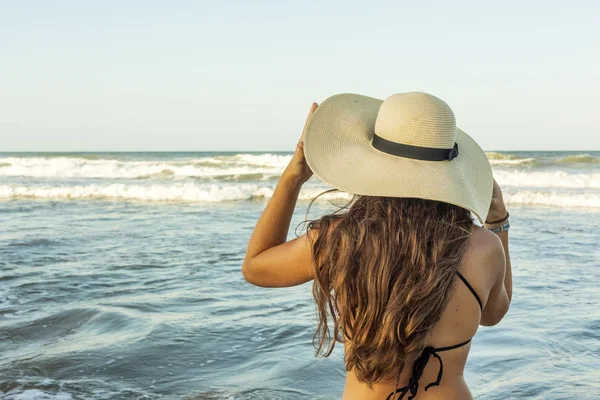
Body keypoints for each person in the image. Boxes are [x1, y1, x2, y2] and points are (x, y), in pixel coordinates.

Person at [242, 92, 512, 400]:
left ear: (373, 162)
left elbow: (256, 266)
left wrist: (295, 174)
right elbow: (493, 314)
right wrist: (498, 223)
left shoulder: (341, 240)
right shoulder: (483, 248)